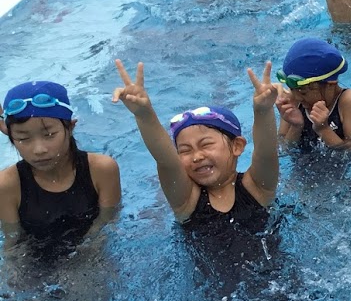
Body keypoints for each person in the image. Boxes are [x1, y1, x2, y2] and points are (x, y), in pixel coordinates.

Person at [112, 59, 280, 274]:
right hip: (219, 293)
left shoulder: (257, 187)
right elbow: (166, 161)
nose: (197, 156)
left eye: (206, 145)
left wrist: (263, 110)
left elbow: (266, 152)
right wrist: (144, 114)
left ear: (237, 146)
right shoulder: (186, 201)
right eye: (185, 150)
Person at [0, 81, 121, 257]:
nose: (39, 149)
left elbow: (107, 223)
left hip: (91, 254)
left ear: (70, 127)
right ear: (11, 138)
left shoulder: (102, 170)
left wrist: (83, 258)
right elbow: (13, 244)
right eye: (23, 139)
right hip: (35, 261)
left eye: (49, 135)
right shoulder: (7, 185)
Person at [274, 38, 351, 152]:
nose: (297, 97)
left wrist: (324, 129)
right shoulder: (292, 100)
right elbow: (282, 149)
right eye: (291, 89)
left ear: (330, 85)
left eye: (303, 92)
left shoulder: (348, 100)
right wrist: (296, 127)